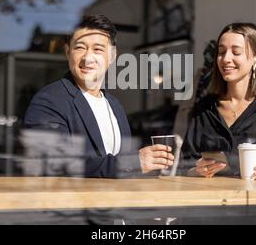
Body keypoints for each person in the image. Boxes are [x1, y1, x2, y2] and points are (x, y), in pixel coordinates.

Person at [24, 14, 174, 178]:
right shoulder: (49, 101)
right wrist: (133, 161)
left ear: (112, 56)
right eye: (80, 47)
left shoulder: (115, 105)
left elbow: (124, 170)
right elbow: (55, 163)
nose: (88, 58)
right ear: (68, 52)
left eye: (98, 49)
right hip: (75, 202)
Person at [181, 22, 256, 179]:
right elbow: (185, 164)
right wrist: (197, 171)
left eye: (236, 52)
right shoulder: (204, 108)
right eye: (221, 52)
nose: (226, 58)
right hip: (214, 200)